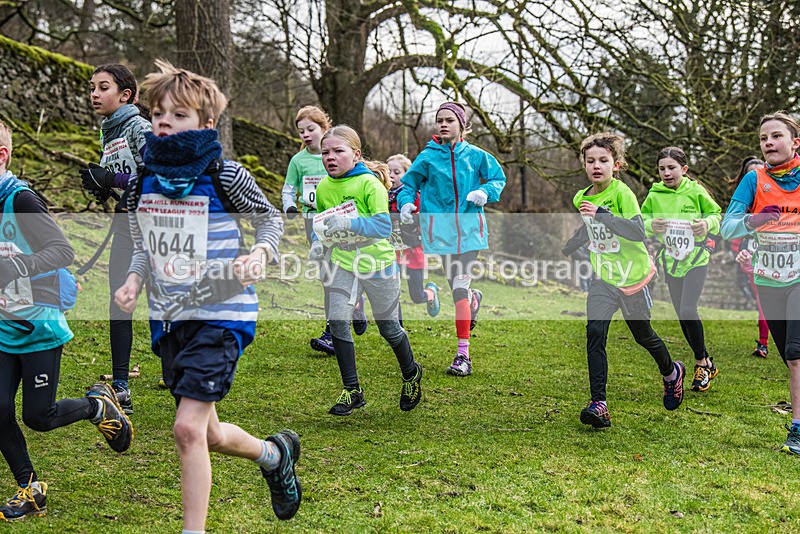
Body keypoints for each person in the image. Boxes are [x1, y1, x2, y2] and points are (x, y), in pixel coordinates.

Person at [113, 60, 301, 529]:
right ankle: (274, 455)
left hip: (222, 314)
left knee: (185, 429)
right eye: (159, 113)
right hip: (171, 320)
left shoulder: (224, 175)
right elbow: (143, 248)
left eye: (179, 115)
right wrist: (134, 280)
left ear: (206, 123)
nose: (164, 123)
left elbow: (269, 219)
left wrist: (260, 253)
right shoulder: (141, 182)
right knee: (208, 434)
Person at [0, 119, 133, 521]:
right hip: (3, 326)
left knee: (38, 417)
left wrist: (18, 266)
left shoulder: (21, 201)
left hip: (38, 325)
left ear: (2, 156)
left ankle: (97, 406)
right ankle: (30, 487)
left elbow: (62, 251)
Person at [562, 132, 685, 429]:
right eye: (590, 161)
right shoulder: (581, 197)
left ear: (615, 165)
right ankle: (599, 404)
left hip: (633, 277)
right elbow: (590, 227)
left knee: (643, 335)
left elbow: (637, 232)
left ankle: (671, 373)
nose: (596, 166)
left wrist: (603, 214)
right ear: (584, 164)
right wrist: (572, 244)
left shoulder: (622, 194)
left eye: (603, 160)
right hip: (604, 278)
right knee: (595, 332)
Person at [309, 125, 422, 416]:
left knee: (389, 328)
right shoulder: (323, 187)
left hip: (377, 263)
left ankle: (411, 373)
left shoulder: (370, 185)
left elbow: (383, 227)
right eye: (325, 152)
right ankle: (352, 390)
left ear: (356, 155)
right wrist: (317, 243)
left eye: (338, 151)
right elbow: (320, 223)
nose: (330, 157)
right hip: (343, 261)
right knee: (337, 321)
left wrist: (350, 223)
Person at [397, 102, 506, 376]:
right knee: (458, 290)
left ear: (462, 125)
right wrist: (406, 203)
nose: (443, 124)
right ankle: (473, 300)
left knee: (458, 288)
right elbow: (408, 185)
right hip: (441, 235)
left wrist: (486, 192)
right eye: (440, 120)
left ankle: (463, 356)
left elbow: (497, 178)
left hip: (470, 233)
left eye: (449, 120)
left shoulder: (476, 155)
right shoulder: (427, 157)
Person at [721, 111, 800, 455]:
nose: (769, 142)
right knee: (789, 355)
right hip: (769, 280)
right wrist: (753, 220)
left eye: (776, 136)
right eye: (763, 138)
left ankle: (797, 430)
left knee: (796, 354)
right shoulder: (754, 181)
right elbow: (727, 227)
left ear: (795, 142)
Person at [79, 64, 152, 412]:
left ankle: (182, 377)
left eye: (103, 87)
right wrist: (102, 187)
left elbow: (156, 175)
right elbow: (120, 180)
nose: (94, 94)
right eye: (92, 87)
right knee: (118, 301)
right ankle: (121, 386)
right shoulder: (108, 131)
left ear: (125, 95)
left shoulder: (139, 127)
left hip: (156, 227)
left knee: (163, 306)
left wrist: (114, 181)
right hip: (125, 225)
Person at [281, 106, 366, 356]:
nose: (306, 135)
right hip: (314, 223)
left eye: (311, 129)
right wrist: (289, 206)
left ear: (324, 128)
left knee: (344, 270)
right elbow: (288, 189)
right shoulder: (298, 161)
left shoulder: (340, 154)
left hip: (343, 222)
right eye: (301, 131)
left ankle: (351, 307)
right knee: (327, 275)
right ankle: (336, 326)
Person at [641, 147, 722, 392]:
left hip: (696, 259)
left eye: (671, 168)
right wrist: (651, 225)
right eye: (662, 169)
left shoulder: (695, 191)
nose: (666, 173)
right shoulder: (654, 195)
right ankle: (706, 361)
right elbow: (640, 222)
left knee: (688, 309)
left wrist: (706, 224)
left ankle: (701, 364)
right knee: (682, 316)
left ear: (684, 169)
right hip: (671, 261)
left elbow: (716, 215)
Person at [387, 154, 440, 323]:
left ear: (407, 175)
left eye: (397, 172)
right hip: (390, 251)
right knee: (391, 291)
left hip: (412, 250)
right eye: (388, 171)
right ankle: (397, 328)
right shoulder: (382, 195)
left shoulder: (414, 196)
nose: (391, 175)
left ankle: (430, 293)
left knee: (416, 296)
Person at [729, 156, 769, 358]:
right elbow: (733, 232)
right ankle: (763, 343)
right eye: (751, 175)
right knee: (762, 298)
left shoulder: (779, 197)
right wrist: (737, 251)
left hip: (778, 256)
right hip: (751, 257)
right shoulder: (742, 204)